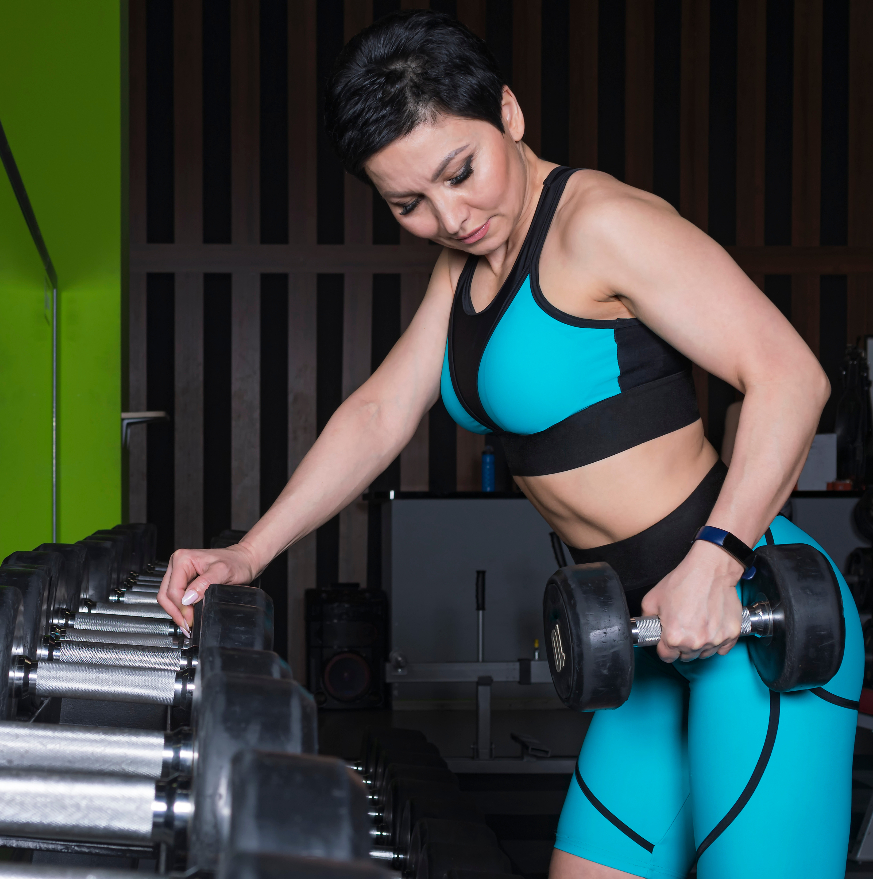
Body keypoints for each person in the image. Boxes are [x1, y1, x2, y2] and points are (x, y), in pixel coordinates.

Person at [156, 11, 861, 878]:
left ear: (510, 114)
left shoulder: (600, 224)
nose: (451, 216)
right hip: (643, 642)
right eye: (409, 203)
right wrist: (250, 551)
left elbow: (792, 375)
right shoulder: (467, 266)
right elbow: (382, 410)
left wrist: (717, 561)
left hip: (753, 619)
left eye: (462, 172)